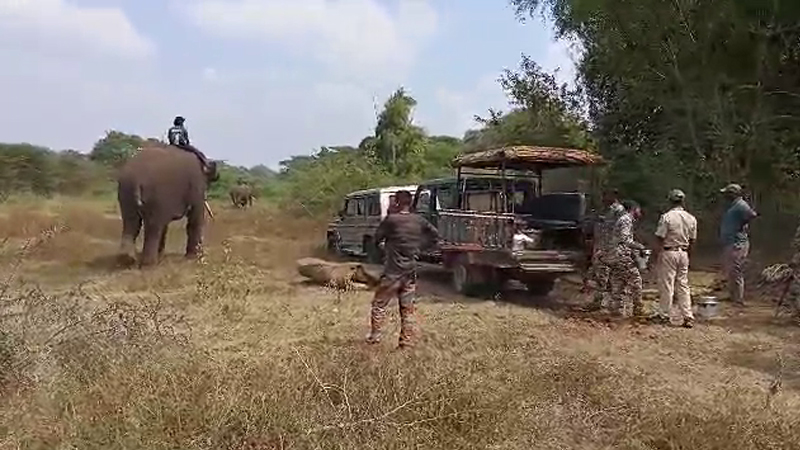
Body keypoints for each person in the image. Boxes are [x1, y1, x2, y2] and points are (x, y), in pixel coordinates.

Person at [366, 190, 439, 348]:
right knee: (407, 309)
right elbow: (435, 235)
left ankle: (375, 337)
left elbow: (376, 239)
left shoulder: (391, 220)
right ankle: (406, 342)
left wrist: (383, 246)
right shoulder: (419, 220)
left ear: (397, 202)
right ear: (410, 203)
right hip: (410, 272)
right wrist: (420, 247)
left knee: (379, 304)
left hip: (392, 272)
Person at [651, 189, 697, 328]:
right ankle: (688, 316)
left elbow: (660, 237)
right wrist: (688, 256)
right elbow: (692, 240)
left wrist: (656, 254)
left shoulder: (667, 217)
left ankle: (664, 314)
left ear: (670, 201)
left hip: (669, 251)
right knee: (683, 285)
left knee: (667, 284)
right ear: (683, 201)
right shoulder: (691, 218)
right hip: (683, 252)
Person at [583, 189, 625, 312]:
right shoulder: (602, 210)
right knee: (599, 277)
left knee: (614, 278)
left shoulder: (619, 211)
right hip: (600, 247)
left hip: (612, 249)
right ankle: (597, 302)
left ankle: (617, 306)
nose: (603, 198)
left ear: (614, 196)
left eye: (606, 195)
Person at [719, 183, 758, 305]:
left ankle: (738, 299)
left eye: (727, 194)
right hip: (732, 242)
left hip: (738, 243)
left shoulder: (741, 205)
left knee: (736, 270)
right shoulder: (734, 205)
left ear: (733, 194)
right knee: (731, 271)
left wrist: (743, 225)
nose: (725, 196)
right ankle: (733, 296)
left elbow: (752, 215)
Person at [607, 200, 646, 317]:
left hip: (616, 253)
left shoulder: (623, 219)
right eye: (638, 210)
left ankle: (616, 308)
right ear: (633, 209)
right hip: (622, 254)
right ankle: (638, 308)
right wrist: (639, 246)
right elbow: (625, 239)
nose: (640, 212)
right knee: (636, 280)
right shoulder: (626, 220)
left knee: (619, 281)